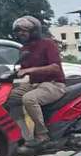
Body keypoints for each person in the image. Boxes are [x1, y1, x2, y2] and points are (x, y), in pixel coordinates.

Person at [9, 16, 66, 148]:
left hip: (54, 84)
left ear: (34, 31)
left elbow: (55, 67)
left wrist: (30, 70)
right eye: (18, 31)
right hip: (34, 85)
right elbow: (24, 70)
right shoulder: (24, 49)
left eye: (24, 30)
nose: (20, 34)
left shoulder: (48, 44)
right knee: (9, 98)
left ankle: (42, 135)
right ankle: (24, 135)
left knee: (29, 99)